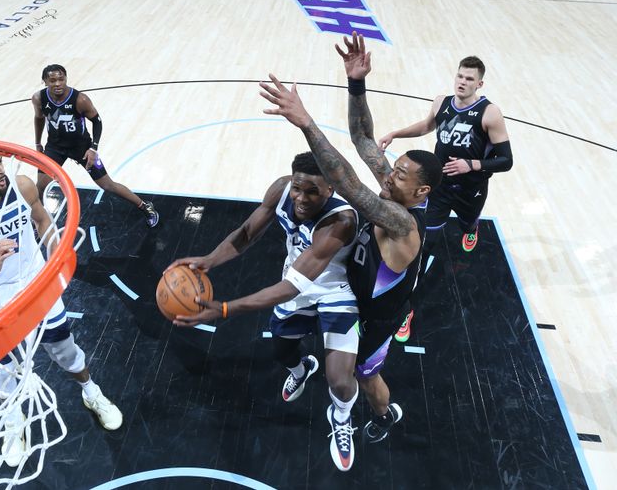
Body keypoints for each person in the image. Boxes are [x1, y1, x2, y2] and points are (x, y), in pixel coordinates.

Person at [258, 32, 442, 447]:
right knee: (306, 344)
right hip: (349, 289)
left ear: (421, 193)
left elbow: (348, 183)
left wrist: (306, 123)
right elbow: (362, 139)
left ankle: (383, 414)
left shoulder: (402, 222)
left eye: (399, 175)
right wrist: (356, 84)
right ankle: (304, 369)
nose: (389, 174)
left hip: (377, 314)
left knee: (364, 374)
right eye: (394, 169)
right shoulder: (396, 189)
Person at [170, 152, 361, 472]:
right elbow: (247, 233)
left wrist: (226, 308)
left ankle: (340, 416)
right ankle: (302, 369)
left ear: (330, 188)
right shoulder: (282, 189)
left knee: (340, 379)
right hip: (294, 282)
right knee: (281, 350)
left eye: (312, 191)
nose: (301, 198)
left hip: (336, 293)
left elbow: (290, 288)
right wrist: (210, 259)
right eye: (298, 187)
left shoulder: (340, 221)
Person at [0, 153, 123, 467]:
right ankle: (13, 419)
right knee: (6, 368)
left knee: (65, 350)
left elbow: (43, 219)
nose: (0, 171)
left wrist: (54, 252)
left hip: (37, 286)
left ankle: (91, 392)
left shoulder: (21, 186)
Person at [376, 54, 513, 342]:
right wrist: (396, 133)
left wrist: (471, 164)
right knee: (425, 247)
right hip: (438, 187)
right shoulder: (442, 102)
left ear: (480, 83)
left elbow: (506, 160)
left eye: (469, 79)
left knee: (465, 225)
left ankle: (471, 226)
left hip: (471, 188)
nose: (463, 82)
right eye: (460, 76)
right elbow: (427, 126)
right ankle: (407, 310)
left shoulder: (490, 113)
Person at [32, 63, 159, 227]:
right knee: (41, 185)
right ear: (44, 81)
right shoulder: (38, 98)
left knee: (107, 185)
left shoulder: (80, 99)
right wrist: (37, 143)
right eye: (52, 80)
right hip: (54, 147)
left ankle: (144, 206)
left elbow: (97, 122)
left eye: (61, 79)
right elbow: (39, 118)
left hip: (82, 148)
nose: (57, 84)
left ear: (66, 79)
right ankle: (40, 221)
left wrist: (93, 148)